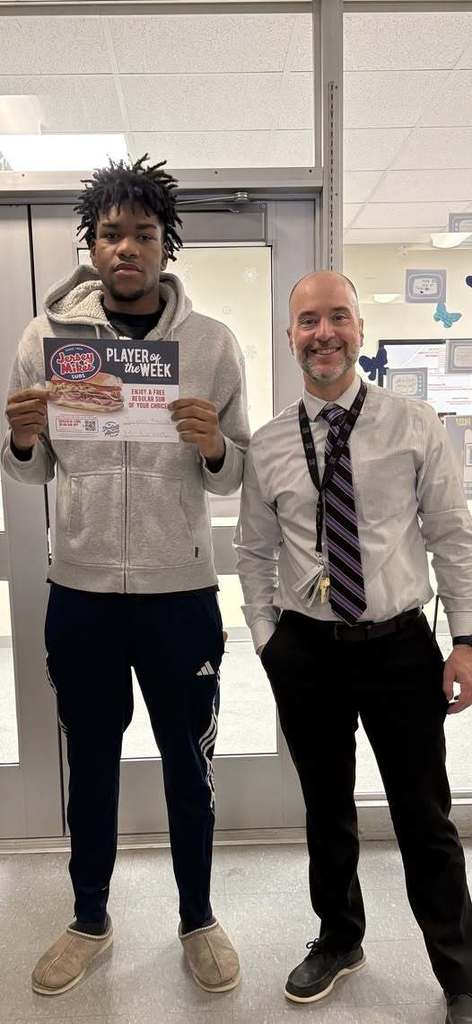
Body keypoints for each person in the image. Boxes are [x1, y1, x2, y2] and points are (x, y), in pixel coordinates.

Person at [2, 155, 249, 997]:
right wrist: (26, 437)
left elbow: (232, 476)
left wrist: (214, 443)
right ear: (93, 243)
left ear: (164, 244)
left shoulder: (210, 344)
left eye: (143, 233)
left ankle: (197, 918)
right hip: (81, 592)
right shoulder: (46, 342)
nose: (127, 248)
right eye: (112, 234)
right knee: (94, 762)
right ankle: (89, 917)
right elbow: (32, 475)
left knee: (189, 763)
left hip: (181, 596)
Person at [235, 270, 472, 1023]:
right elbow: (253, 551)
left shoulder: (412, 424)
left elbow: (452, 539)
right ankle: (340, 938)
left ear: (360, 331)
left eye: (338, 317)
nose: (324, 333)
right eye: (309, 321)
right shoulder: (269, 444)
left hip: (402, 649)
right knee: (326, 808)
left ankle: (461, 971)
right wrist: (268, 640)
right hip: (308, 652)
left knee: (424, 816)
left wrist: (466, 639)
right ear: (292, 337)